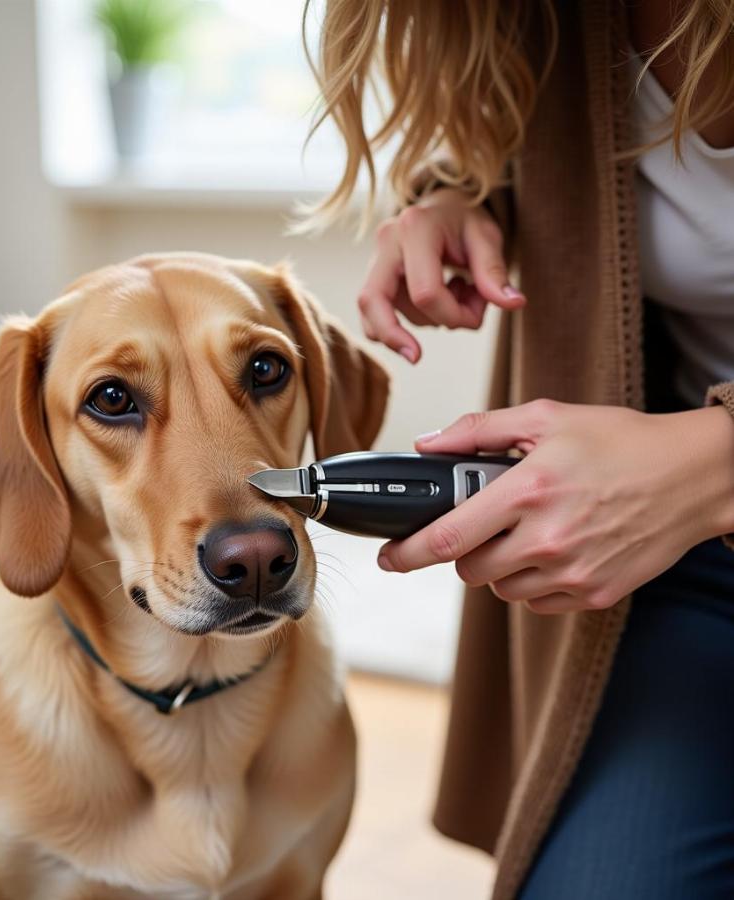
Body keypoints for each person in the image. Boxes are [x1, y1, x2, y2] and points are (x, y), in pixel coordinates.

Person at [304, 1, 734, 898]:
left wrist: (712, 467)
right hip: (693, 568)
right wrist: (460, 193)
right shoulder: (547, 25)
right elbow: (533, 150)